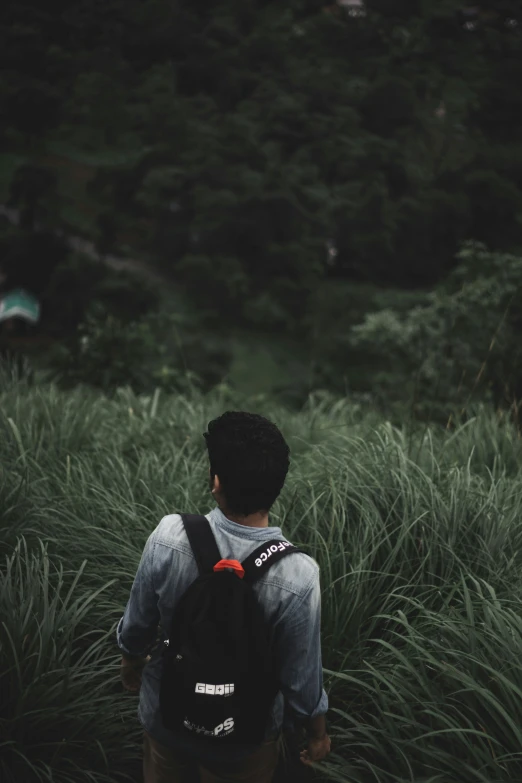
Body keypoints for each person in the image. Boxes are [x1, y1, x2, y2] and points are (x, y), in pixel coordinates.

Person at [117, 411, 331, 782]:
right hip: (245, 737)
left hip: (166, 717)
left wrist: (131, 663)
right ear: (277, 486)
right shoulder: (299, 575)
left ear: (216, 483)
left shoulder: (170, 536)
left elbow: (138, 625)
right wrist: (317, 735)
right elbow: (301, 682)